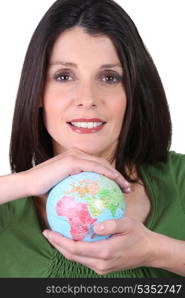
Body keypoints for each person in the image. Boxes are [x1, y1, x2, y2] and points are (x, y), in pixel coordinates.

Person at [0, 0, 185, 278]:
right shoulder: (8, 205)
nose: (88, 99)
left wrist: (156, 251)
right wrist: (23, 182)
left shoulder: (179, 179)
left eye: (109, 77)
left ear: (133, 91)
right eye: (64, 76)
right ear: (38, 91)